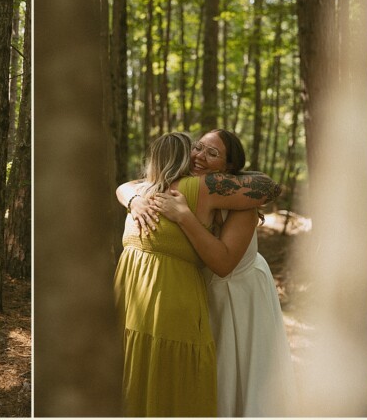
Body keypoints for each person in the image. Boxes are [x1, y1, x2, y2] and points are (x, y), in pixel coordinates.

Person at [119, 129, 296, 417]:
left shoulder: (239, 201)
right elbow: (130, 184)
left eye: (212, 153)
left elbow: (224, 263)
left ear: (227, 169)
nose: (200, 155)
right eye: (198, 147)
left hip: (240, 295)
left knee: (241, 378)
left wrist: (184, 217)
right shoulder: (182, 186)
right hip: (202, 289)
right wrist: (132, 199)